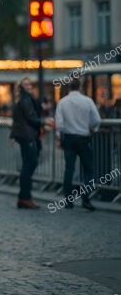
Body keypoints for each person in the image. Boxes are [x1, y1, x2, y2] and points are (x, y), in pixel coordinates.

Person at [55, 79, 101, 211]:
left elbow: (59, 124)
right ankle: (86, 199)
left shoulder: (62, 102)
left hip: (69, 138)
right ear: (80, 87)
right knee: (89, 170)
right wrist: (93, 128)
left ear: (69, 88)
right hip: (83, 138)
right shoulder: (87, 101)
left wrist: (61, 135)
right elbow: (97, 119)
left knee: (69, 169)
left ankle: (68, 201)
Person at [10, 77, 54, 209]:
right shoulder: (25, 99)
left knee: (27, 165)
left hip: (25, 135)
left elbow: (18, 119)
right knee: (30, 165)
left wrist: (12, 136)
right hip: (28, 136)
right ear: (22, 86)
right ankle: (25, 197)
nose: (29, 86)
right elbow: (30, 117)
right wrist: (44, 121)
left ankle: (24, 197)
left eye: (30, 84)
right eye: (26, 84)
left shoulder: (23, 99)